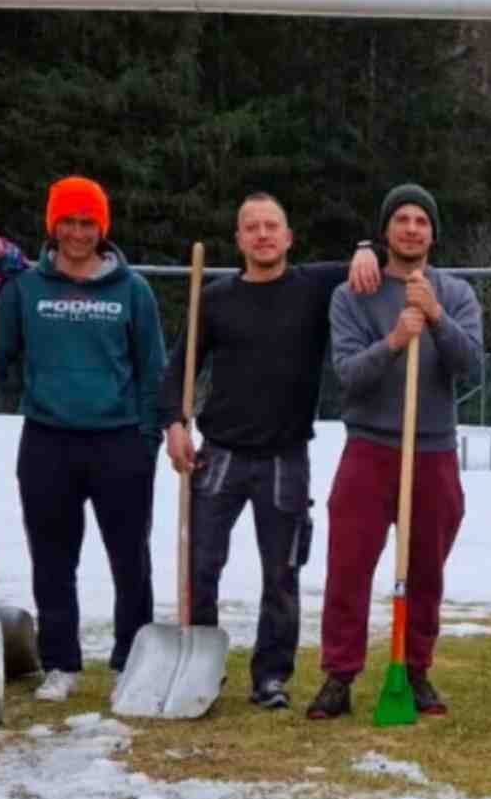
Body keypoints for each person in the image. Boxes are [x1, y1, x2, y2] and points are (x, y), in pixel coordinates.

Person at [160, 194, 381, 711]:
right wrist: (174, 422)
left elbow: (374, 256)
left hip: (286, 456)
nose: (262, 235)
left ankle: (270, 677)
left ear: (288, 237)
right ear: (238, 239)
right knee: (201, 566)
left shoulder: (313, 288)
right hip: (221, 454)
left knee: (281, 572)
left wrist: (366, 246)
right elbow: (178, 369)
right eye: (252, 227)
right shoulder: (214, 299)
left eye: (272, 226)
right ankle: (200, 668)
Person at [0, 175, 168, 703]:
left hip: (118, 442)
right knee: (53, 557)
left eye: (88, 222)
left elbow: (152, 371)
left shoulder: (132, 290)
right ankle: (61, 662)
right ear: (53, 226)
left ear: (103, 227)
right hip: (48, 441)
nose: (78, 232)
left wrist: (147, 439)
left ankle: (130, 658)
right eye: (68, 221)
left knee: (129, 558)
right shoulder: (26, 288)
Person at [309, 184, 484, 720]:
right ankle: (339, 675)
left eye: (421, 221)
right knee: (348, 566)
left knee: (426, 569)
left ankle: (416, 670)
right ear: (385, 231)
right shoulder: (352, 295)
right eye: (402, 220)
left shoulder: (455, 294)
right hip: (369, 447)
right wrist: (392, 341)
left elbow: (473, 367)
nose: (412, 229)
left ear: (432, 234)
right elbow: (348, 377)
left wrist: (433, 317)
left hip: (432, 450)